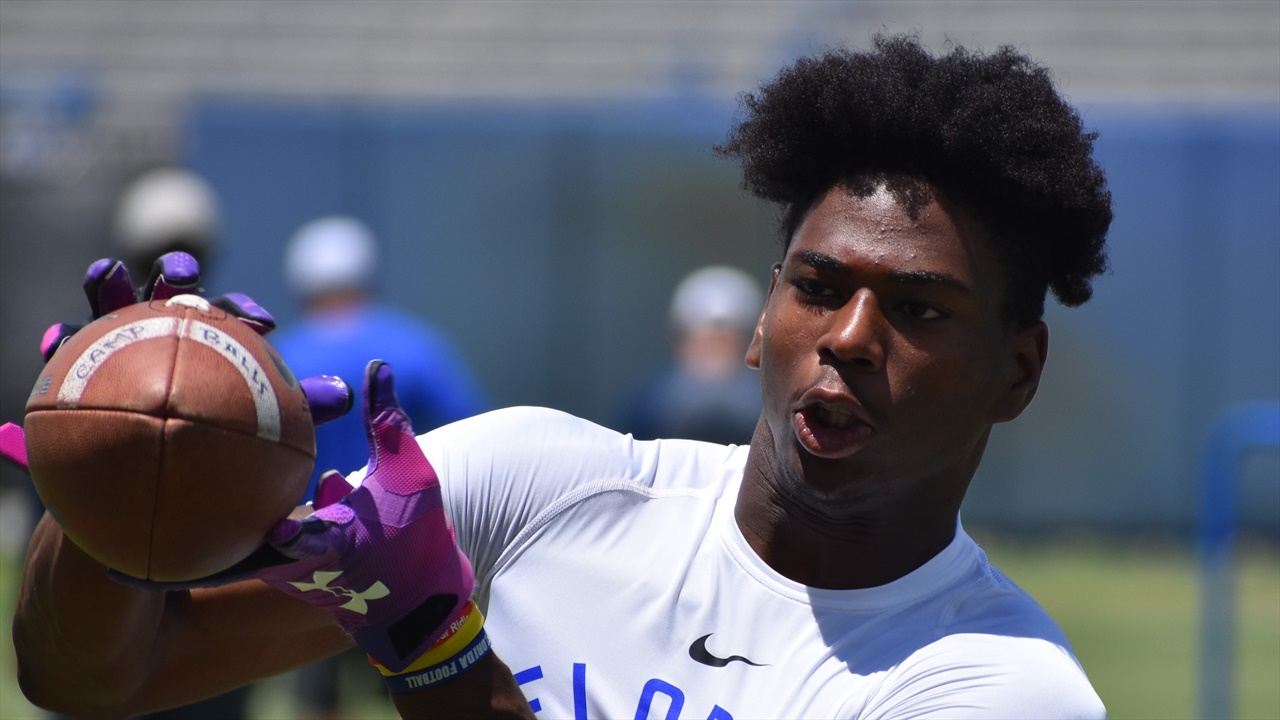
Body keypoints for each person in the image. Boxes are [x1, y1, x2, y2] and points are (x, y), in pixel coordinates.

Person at [9, 34, 1112, 718]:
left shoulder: (997, 684)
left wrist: (437, 650)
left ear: (1016, 372)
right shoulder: (538, 486)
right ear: (761, 316)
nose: (852, 336)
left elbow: (430, 642)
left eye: (919, 309)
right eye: (818, 288)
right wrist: (115, 472)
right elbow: (95, 679)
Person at [270, 215, 492, 719]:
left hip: (310, 555)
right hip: (405, 551)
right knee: (416, 692)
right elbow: (474, 431)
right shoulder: (416, 346)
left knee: (319, 699)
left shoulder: (282, 358)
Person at [623, 265, 764, 446]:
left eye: (725, 342)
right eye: (705, 342)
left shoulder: (770, 405)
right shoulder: (649, 406)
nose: (714, 353)